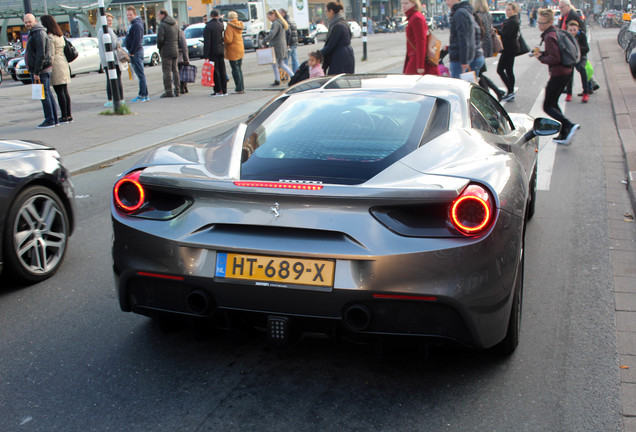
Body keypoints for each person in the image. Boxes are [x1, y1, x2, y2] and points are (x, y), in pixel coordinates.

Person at [533, 8, 579, 145]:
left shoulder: (549, 36)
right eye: (538, 22)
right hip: (566, 71)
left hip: (559, 73)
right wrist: (543, 53)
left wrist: (541, 57)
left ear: (549, 22)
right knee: (553, 103)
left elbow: (554, 58)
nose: (539, 25)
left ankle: (569, 125)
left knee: (547, 106)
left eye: (542, 23)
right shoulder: (556, 32)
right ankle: (564, 132)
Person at [24, 13, 57, 128]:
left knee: (44, 95)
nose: (28, 24)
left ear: (35, 21)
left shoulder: (38, 33)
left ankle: (50, 119)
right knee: (47, 93)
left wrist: (36, 72)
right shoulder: (36, 32)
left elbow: (40, 54)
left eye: (29, 21)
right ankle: (54, 119)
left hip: (41, 70)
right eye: (26, 22)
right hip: (42, 69)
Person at [41, 15, 72, 124]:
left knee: (59, 91)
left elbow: (51, 54)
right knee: (65, 90)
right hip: (63, 63)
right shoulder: (60, 35)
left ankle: (64, 116)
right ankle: (68, 114)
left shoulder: (50, 37)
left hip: (56, 65)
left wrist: (47, 67)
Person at [473, 0, 505, 100]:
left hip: (480, 45)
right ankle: (497, 92)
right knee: (479, 73)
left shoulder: (477, 16)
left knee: (478, 73)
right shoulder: (487, 15)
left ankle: (493, 95)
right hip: (487, 44)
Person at [402, 0, 439, 75]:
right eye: (402, 4)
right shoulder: (413, 17)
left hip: (417, 58)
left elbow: (421, 42)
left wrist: (420, 65)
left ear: (414, 4)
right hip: (414, 57)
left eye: (406, 3)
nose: (403, 6)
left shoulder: (416, 18)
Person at [320, 2, 355, 75]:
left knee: (336, 81)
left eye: (327, 11)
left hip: (340, 58)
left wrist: (317, 54)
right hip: (345, 55)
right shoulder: (342, 22)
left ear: (331, 11)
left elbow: (330, 45)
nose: (326, 14)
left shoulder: (338, 25)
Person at [261, 10, 294, 86]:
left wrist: (264, 41)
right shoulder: (281, 22)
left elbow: (272, 34)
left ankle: (278, 80)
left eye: (269, 17)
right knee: (281, 64)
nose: (269, 19)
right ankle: (292, 76)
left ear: (273, 15)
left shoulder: (275, 23)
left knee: (275, 64)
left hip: (277, 46)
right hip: (281, 46)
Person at [98, 12, 124, 107]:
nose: (110, 22)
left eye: (111, 20)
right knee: (116, 79)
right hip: (112, 59)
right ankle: (120, 98)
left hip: (105, 59)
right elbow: (114, 44)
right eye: (108, 20)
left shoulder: (100, 31)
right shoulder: (108, 31)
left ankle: (110, 99)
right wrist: (120, 41)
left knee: (109, 79)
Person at [445, 0, 477, 79]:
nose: (446, 2)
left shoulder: (460, 13)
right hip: (461, 56)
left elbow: (463, 37)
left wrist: (464, 61)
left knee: (457, 86)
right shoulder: (463, 11)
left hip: (458, 58)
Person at [497, 2, 521, 101]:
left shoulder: (513, 21)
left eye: (509, 10)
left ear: (514, 11)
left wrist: (497, 31)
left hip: (509, 49)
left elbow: (506, 34)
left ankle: (510, 90)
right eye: (506, 9)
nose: (507, 11)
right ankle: (510, 92)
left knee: (500, 69)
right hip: (510, 48)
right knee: (509, 70)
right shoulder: (511, 20)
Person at [126, 6, 149, 102]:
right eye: (127, 15)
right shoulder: (134, 24)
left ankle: (143, 95)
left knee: (140, 74)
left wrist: (131, 51)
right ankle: (143, 94)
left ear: (135, 14)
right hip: (135, 51)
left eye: (130, 14)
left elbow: (137, 39)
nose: (129, 16)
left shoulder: (136, 25)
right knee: (140, 74)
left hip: (136, 52)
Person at [564, 20, 590, 103]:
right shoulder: (565, 37)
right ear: (567, 30)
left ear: (578, 29)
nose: (572, 32)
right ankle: (569, 93)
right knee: (569, 74)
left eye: (574, 30)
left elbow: (586, 48)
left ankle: (586, 92)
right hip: (570, 58)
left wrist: (577, 49)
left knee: (582, 69)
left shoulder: (581, 35)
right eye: (570, 30)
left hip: (581, 57)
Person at [204, 10, 228, 96]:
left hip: (212, 51)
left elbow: (207, 42)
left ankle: (218, 90)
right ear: (217, 16)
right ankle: (224, 90)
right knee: (222, 70)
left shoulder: (208, 26)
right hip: (221, 50)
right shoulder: (220, 25)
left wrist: (206, 54)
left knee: (215, 71)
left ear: (210, 16)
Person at [157, 9, 179, 98]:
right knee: (175, 70)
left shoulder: (162, 25)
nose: (158, 17)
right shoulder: (175, 24)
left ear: (162, 15)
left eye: (158, 15)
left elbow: (160, 39)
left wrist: (159, 47)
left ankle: (168, 91)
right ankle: (177, 89)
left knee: (167, 72)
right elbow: (179, 37)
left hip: (166, 50)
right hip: (174, 49)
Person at [224, 11, 245, 94]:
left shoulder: (229, 26)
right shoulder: (240, 24)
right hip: (240, 48)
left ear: (229, 18)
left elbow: (228, 40)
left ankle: (238, 88)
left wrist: (223, 38)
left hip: (233, 49)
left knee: (235, 69)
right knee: (239, 68)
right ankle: (241, 87)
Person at [279, 8, 299, 73]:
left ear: (283, 13)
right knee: (295, 60)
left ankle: (287, 75)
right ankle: (296, 73)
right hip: (295, 42)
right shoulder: (291, 19)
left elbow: (288, 33)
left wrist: (287, 44)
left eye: (279, 13)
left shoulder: (285, 21)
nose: (278, 15)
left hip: (290, 43)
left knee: (285, 61)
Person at [177, 24, 189, 94]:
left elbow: (184, 46)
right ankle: (183, 86)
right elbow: (184, 45)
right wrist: (186, 57)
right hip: (180, 55)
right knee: (183, 72)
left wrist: (185, 57)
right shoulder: (180, 32)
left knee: (180, 71)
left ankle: (182, 86)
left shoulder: (178, 32)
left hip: (179, 56)